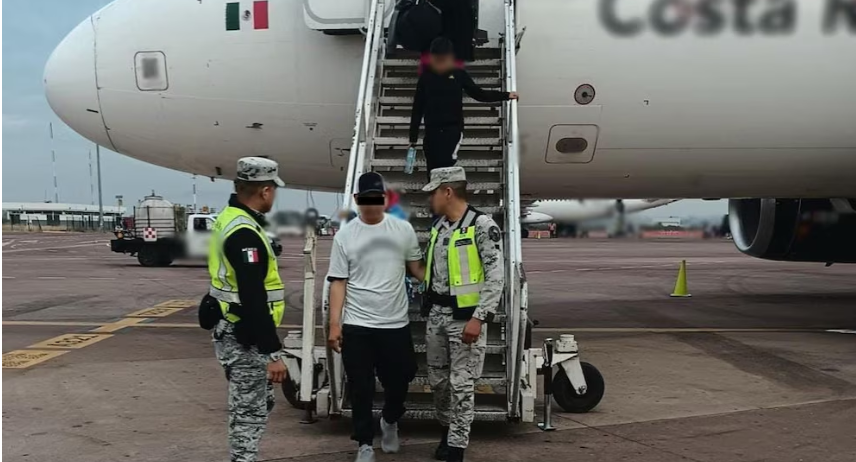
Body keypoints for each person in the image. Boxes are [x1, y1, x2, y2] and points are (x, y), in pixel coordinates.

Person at [327, 172, 426, 462]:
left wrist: (442, 283)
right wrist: (335, 325)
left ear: (384, 199)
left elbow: (416, 269)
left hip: (394, 324)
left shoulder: (402, 230)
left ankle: (390, 420)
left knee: (402, 378)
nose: (371, 206)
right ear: (357, 201)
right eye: (365, 200)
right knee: (361, 387)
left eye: (376, 199)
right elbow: (338, 282)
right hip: (358, 325)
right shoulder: (345, 236)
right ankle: (364, 443)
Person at [421, 167, 505, 462]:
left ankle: (457, 447)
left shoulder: (481, 225)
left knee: (462, 384)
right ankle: (446, 430)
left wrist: (479, 317)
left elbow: (496, 276)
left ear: (447, 192)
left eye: (433, 192)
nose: (430, 198)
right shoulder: (439, 227)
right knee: (439, 381)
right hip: (437, 316)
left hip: (465, 319)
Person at [208, 157, 288, 462]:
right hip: (245, 337)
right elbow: (253, 296)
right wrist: (272, 354)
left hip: (230, 328)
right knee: (249, 412)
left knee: (255, 403)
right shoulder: (245, 233)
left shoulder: (229, 218)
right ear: (265, 191)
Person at [410, 37, 518, 178]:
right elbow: (417, 108)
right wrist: (413, 137)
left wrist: (506, 95)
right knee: (432, 169)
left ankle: (446, 196)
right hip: (432, 130)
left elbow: (478, 94)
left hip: (452, 129)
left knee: (446, 167)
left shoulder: (458, 74)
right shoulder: (426, 77)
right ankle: (435, 198)